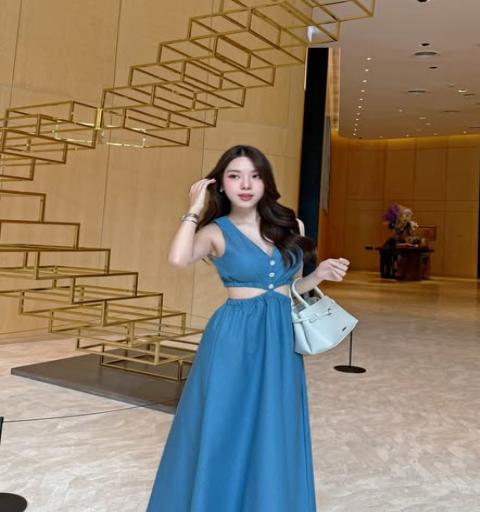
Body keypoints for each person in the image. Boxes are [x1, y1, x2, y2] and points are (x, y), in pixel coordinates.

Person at [146, 145, 350, 511]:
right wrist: (194, 209)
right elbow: (178, 258)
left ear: (266, 182)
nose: (245, 184)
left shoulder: (291, 225)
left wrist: (318, 275)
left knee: (274, 423)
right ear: (220, 184)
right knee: (225, 421)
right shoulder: (215, 231)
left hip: (280, 337)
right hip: (233, 338)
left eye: (255, 176)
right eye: (234, 176)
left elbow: (289, 289)